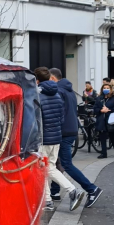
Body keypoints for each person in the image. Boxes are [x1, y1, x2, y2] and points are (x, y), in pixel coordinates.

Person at [50, 68, 104, 208]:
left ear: (52, 78)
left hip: (64, 132)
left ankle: (92, 189)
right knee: (57, 162)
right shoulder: (69, 90)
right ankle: (54, 191)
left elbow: (58, 113)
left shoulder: (59, 91)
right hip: (71, 129)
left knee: (66, 164)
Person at [34, 68, 85, 212]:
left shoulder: (38, 96)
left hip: (43, 139)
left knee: (47, 168)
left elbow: (35, 120)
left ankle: (73, 190)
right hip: (56, 137)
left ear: (37, 80)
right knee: (46, 168)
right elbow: (61, 117)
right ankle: (48, 201)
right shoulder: (57, 94)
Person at [95, 84, 114, 159]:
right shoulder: (99, 98)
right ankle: (104, 153)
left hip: (110, 119)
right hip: (101, 120)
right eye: (104, 88)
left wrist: (109, 110)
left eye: (107, 88)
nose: (106, 89)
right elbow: (95, 108)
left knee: (112, 136)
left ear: (110, 89)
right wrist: (101, 110)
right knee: (102, 136)